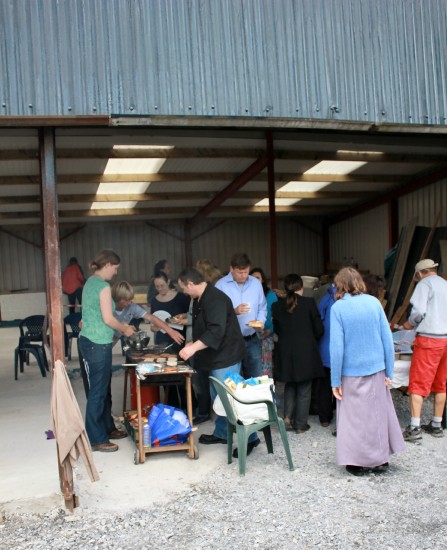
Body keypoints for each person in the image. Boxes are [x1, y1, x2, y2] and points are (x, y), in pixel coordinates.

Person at [330, 267, 405, 476]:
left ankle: (355, 462)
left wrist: (335, 380)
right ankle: (380, 460)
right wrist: (389, 370)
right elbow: (387, 339)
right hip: (376, 368)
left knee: (353, 419)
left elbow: (337, 348)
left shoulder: (338, 308)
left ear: (341, 285)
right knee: (377, 415)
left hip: (351, 372)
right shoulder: (374, 303)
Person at [178, 268, 260, 456]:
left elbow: (216, 331)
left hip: (226, 356)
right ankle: (223, 433)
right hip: (213, 357)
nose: (183, 292)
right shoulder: (199, 298)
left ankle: (251, 438)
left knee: (232, 400)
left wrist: (192, 348)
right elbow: (204, 328)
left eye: (184, 288)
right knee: (219, 399)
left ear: (191, 284)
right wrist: (193, 342)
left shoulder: (214, 298)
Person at [78, 249, 136, 453]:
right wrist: (126, 328)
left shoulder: (89, 283)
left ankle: (107, 428)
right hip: (97, 343)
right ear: (109, 265)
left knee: (104, 389)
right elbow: (108, 319)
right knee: (98, 392)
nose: (116, 273)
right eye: (116, 268)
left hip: (92, 340)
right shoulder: (102, 286)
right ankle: (96, 438)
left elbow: (87, 314)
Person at [401, 259, 447, 441]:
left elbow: (418, 311)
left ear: (419, 273)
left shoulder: (424, 284)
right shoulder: (445, 283)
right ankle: (436, 424)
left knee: (418, 384)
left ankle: (414, 428)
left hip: (429, 339)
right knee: (441, 383)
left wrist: (410, 323)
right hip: (445, 339)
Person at [272, 274, 324, 433]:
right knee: (304, 388)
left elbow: (277, 330)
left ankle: (287, 417)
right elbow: (319, 330)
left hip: (285, 351)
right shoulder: (308, 303)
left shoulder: (276, 306)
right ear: (301, 288)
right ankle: (300, 424)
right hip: (305, 352)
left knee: (289, 384)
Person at [215, 253, 267, 379]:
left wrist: (260, 322)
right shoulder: (220, 286)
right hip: (230, 341)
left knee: (256, 377)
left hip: (252, 338)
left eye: (246, 271)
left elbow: (262, 307)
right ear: (231, 269)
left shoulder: (256, 283)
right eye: (239, 272)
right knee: (232, 379)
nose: (243, 275)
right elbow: (216, 314)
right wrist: (234, 311)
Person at [111, 281, 184, 348]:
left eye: (131, 299)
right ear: (118, 298)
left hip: (112, 342)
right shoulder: (107, 307)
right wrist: (122, 327)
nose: (130, 302)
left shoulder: (132, 306)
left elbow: (151, 318)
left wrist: (170, 331)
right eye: (127, 300)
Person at [150, 272, 189, 354]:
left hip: (179, 341)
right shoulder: (154, 301)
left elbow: (190, 316)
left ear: (168, 282)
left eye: (162, 285)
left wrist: (168, 322)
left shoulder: (181, 298)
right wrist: (155, 328)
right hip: (161, 344)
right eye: (157, 286)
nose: (160, 289)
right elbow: (152, 327)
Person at [249, 267, 278, 378]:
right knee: (252, 367)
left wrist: (270, 330)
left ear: (263, 280)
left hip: (267, 336)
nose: (255, 280)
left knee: (266, 368)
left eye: (258, 278)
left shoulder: (270, 295)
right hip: (251, 336)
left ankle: (267, 392)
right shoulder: (248, 295)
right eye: (252, 278)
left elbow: (276, 317)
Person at [316, 282, 337, 428]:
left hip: (325, 348)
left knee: (324, 385)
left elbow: (318, 322)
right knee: (342, 383)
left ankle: (324, 418)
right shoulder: (349, 301)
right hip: (341, 350)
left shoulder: (326, 299)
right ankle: (341, 414)